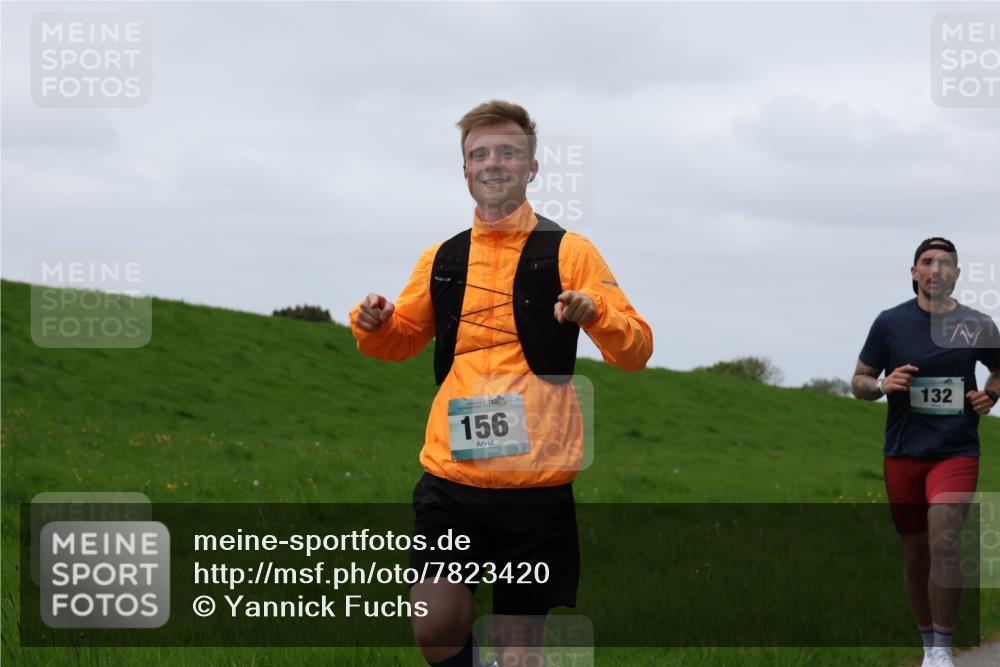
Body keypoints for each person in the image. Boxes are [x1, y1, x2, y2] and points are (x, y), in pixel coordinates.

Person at [350, 100, 653, 667]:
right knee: (435, 628)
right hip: (451, 479)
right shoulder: (441, 257)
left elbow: (636, 349)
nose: (493, 163)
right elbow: (398, 340)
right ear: (464, 169)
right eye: (479, 153)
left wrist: (595, 314)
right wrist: (374, 323)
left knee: (519, 656)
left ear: (531, 168)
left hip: (534, 488)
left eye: (508, 152)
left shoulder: (570, 251)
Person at [852, 237, 999, 667]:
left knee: (946, 538)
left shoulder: (978, 324)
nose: (937, 269)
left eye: (947, 263)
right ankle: (927, 642)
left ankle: (942, 650)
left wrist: (990, 395)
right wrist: (882, 385)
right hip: (903, 453)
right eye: (928, 261)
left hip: (956, 451)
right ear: (914, 272)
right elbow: (859, 380)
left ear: (957, 274)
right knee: (916, 556)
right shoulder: (889, 323)